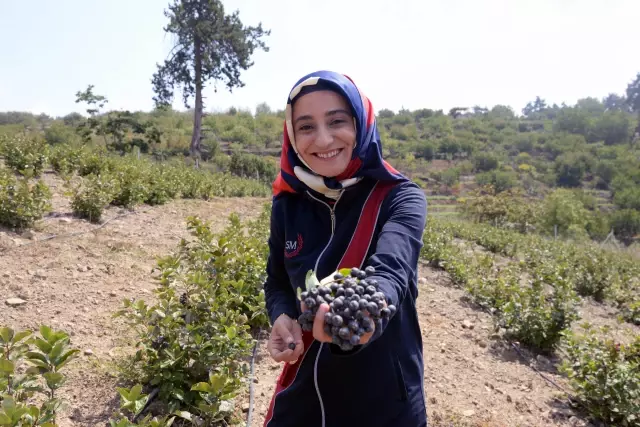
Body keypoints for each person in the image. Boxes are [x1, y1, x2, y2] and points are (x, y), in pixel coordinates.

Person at [263, 70, 428, 427]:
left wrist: (364, 317)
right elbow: (276, 280)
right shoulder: (288, 205)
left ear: (361, 122)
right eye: (306, 126)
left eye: (337, 121)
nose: (323, 139)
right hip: (304, 394)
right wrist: (281, 317)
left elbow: (391, 271)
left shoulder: (399, 198)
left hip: (383, 402)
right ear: (292, 135)